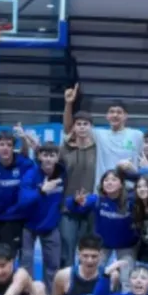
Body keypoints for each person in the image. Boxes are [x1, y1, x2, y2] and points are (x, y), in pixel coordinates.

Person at [66, 169, 138, 285]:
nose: (109, 183)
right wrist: (74, 201)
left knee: (126, 279)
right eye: (106, 180)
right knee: (93, 274)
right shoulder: (97, 199)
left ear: (121, 184)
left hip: (127, 245)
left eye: (114, 180)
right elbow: (74, 208)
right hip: (103, 245)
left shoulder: (131, 199)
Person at [16, 142, 65, 293]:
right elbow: (22, 201)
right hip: (29, 225)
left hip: (51, 225)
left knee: (53, 265)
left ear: (57, 158)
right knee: (26, 264)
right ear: (39, 157)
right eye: (45, 155)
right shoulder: (30, 175)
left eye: (52, 156)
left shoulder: (63, 173)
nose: (48, 159)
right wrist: (42, 192)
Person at [58, 99, 97, 267]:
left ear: (91, 127)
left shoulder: (98, 149)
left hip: (90, 209)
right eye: (78, 123)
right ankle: (65, 287)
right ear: (73, 127)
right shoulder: (64, 149)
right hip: (67, 208)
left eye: (85, 124)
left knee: (87, 252)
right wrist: (68, 104)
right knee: (66, 251)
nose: (82, 127)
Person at [0, 131, 33, 252]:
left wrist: (25, 140)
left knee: (9, 254)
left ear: (13, 148)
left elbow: (32, 164)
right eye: (2, 144)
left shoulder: (23, 164)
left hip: (15, 218)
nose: (5, 148)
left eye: (9, 145)